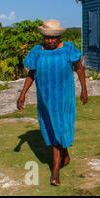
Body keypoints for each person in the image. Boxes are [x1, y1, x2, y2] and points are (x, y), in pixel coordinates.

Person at [17, 19, 88, 186]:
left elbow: (79, 68)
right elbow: (31, 74)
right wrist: (22, 94)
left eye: (52, 38)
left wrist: (84, 90)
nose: (49, 41)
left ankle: (55, 172)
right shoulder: (37, 51)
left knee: (58, 127)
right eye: (46, 37)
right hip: (45, 98)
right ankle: (66, 155)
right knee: (52, 128)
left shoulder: (68, 49)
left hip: (64, 97)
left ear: (59, 36)